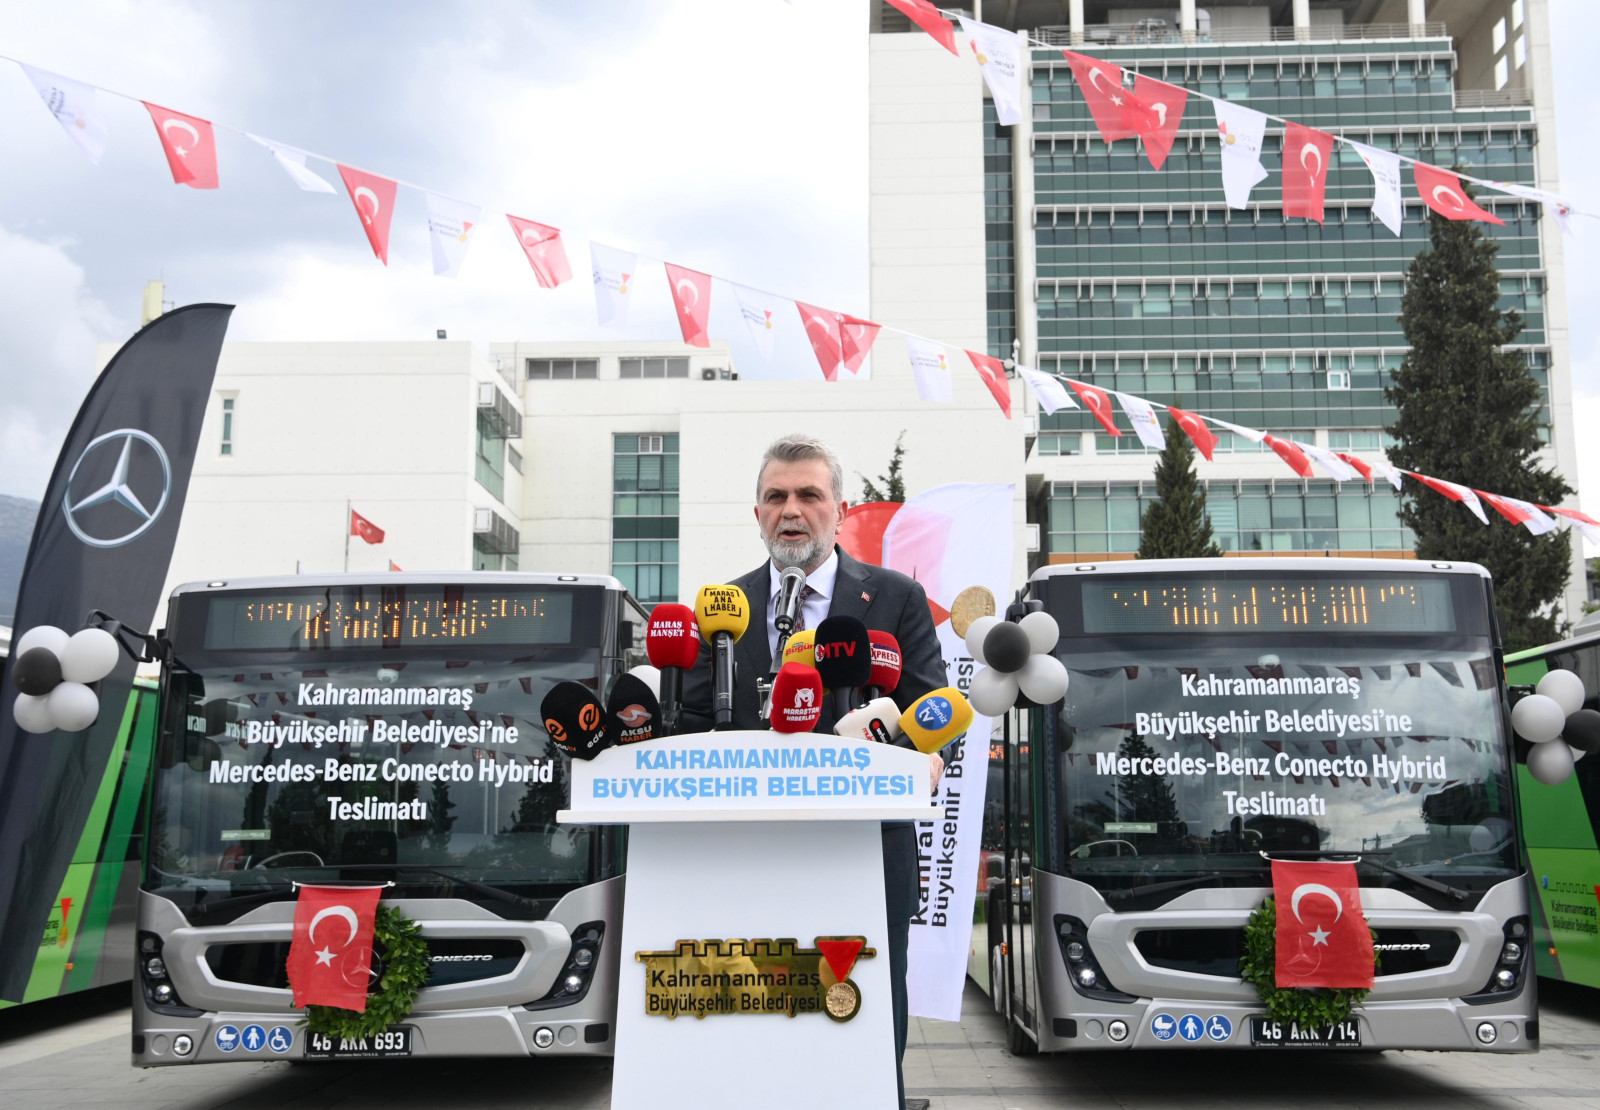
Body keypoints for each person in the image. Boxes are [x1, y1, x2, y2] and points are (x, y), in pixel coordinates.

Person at [679, 433, 944, 1110]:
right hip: (745, 858)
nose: (791, 510)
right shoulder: (723, 609)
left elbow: (933, 715)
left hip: (866, 854)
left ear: (840, 509)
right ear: (757, 513)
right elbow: (690, 726)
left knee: (864, 1016)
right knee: (758, 1029)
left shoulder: (896, 598)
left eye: (808, 495)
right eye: (776, 497)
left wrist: (926, 756)